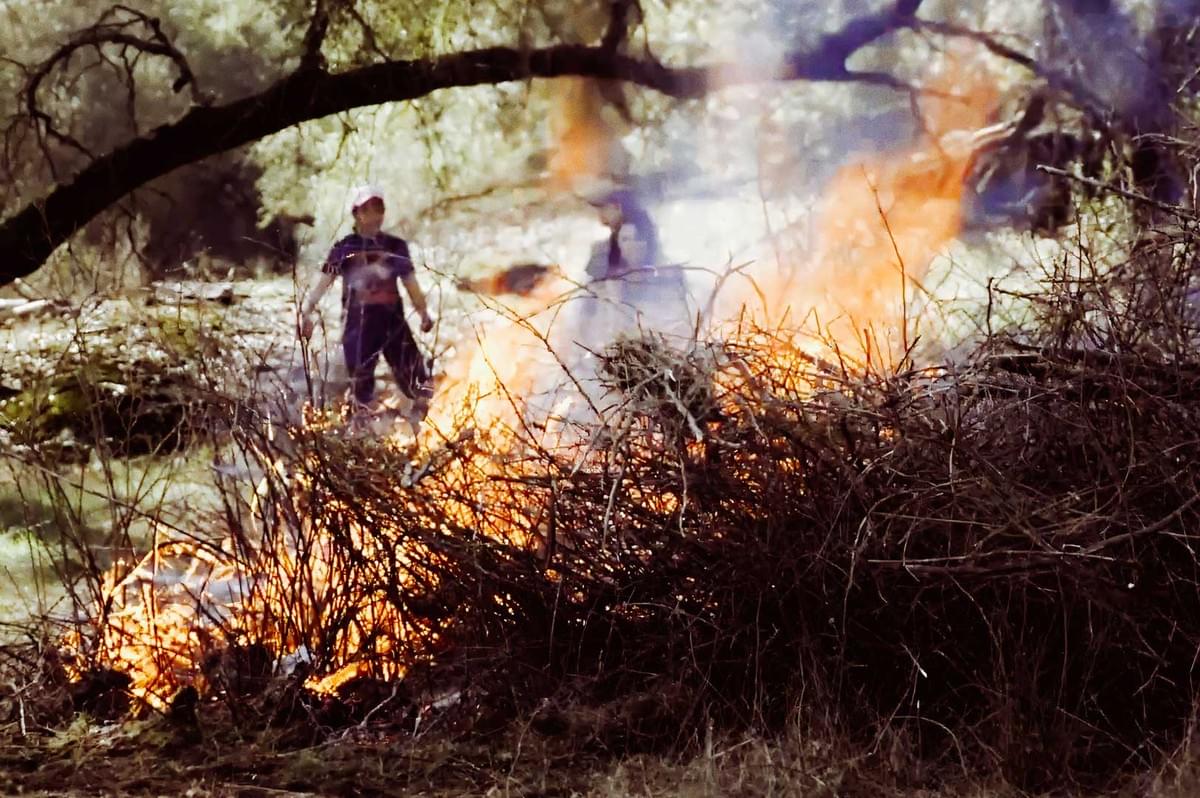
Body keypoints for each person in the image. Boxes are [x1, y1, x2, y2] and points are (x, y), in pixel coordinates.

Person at [299, 185, 435, 430]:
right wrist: (306, 310)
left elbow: (410, 282)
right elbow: (324, 283)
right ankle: (365, 436)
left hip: (392, 321)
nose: (374, 214)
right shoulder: (344, 248)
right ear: (356, 213)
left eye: (379, 208)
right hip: (358, 324)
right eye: (368, 209)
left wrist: (424, 312)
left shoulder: (395, 247)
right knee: (360, 385)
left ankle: (423, 428)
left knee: (419, 381)